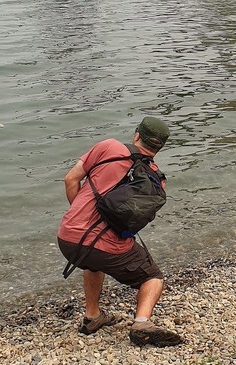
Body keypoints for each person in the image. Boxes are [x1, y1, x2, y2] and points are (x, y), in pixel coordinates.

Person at [57, 116, 183, 347]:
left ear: (136, 135)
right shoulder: (156, 179)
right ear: (160, 147)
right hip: (108, 249)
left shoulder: (108, 147)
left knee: (93, 263)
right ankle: (142, 322)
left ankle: (93, 317)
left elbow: (70, 179)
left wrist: (79, 216)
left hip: (67, 238)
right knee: (152, 277)